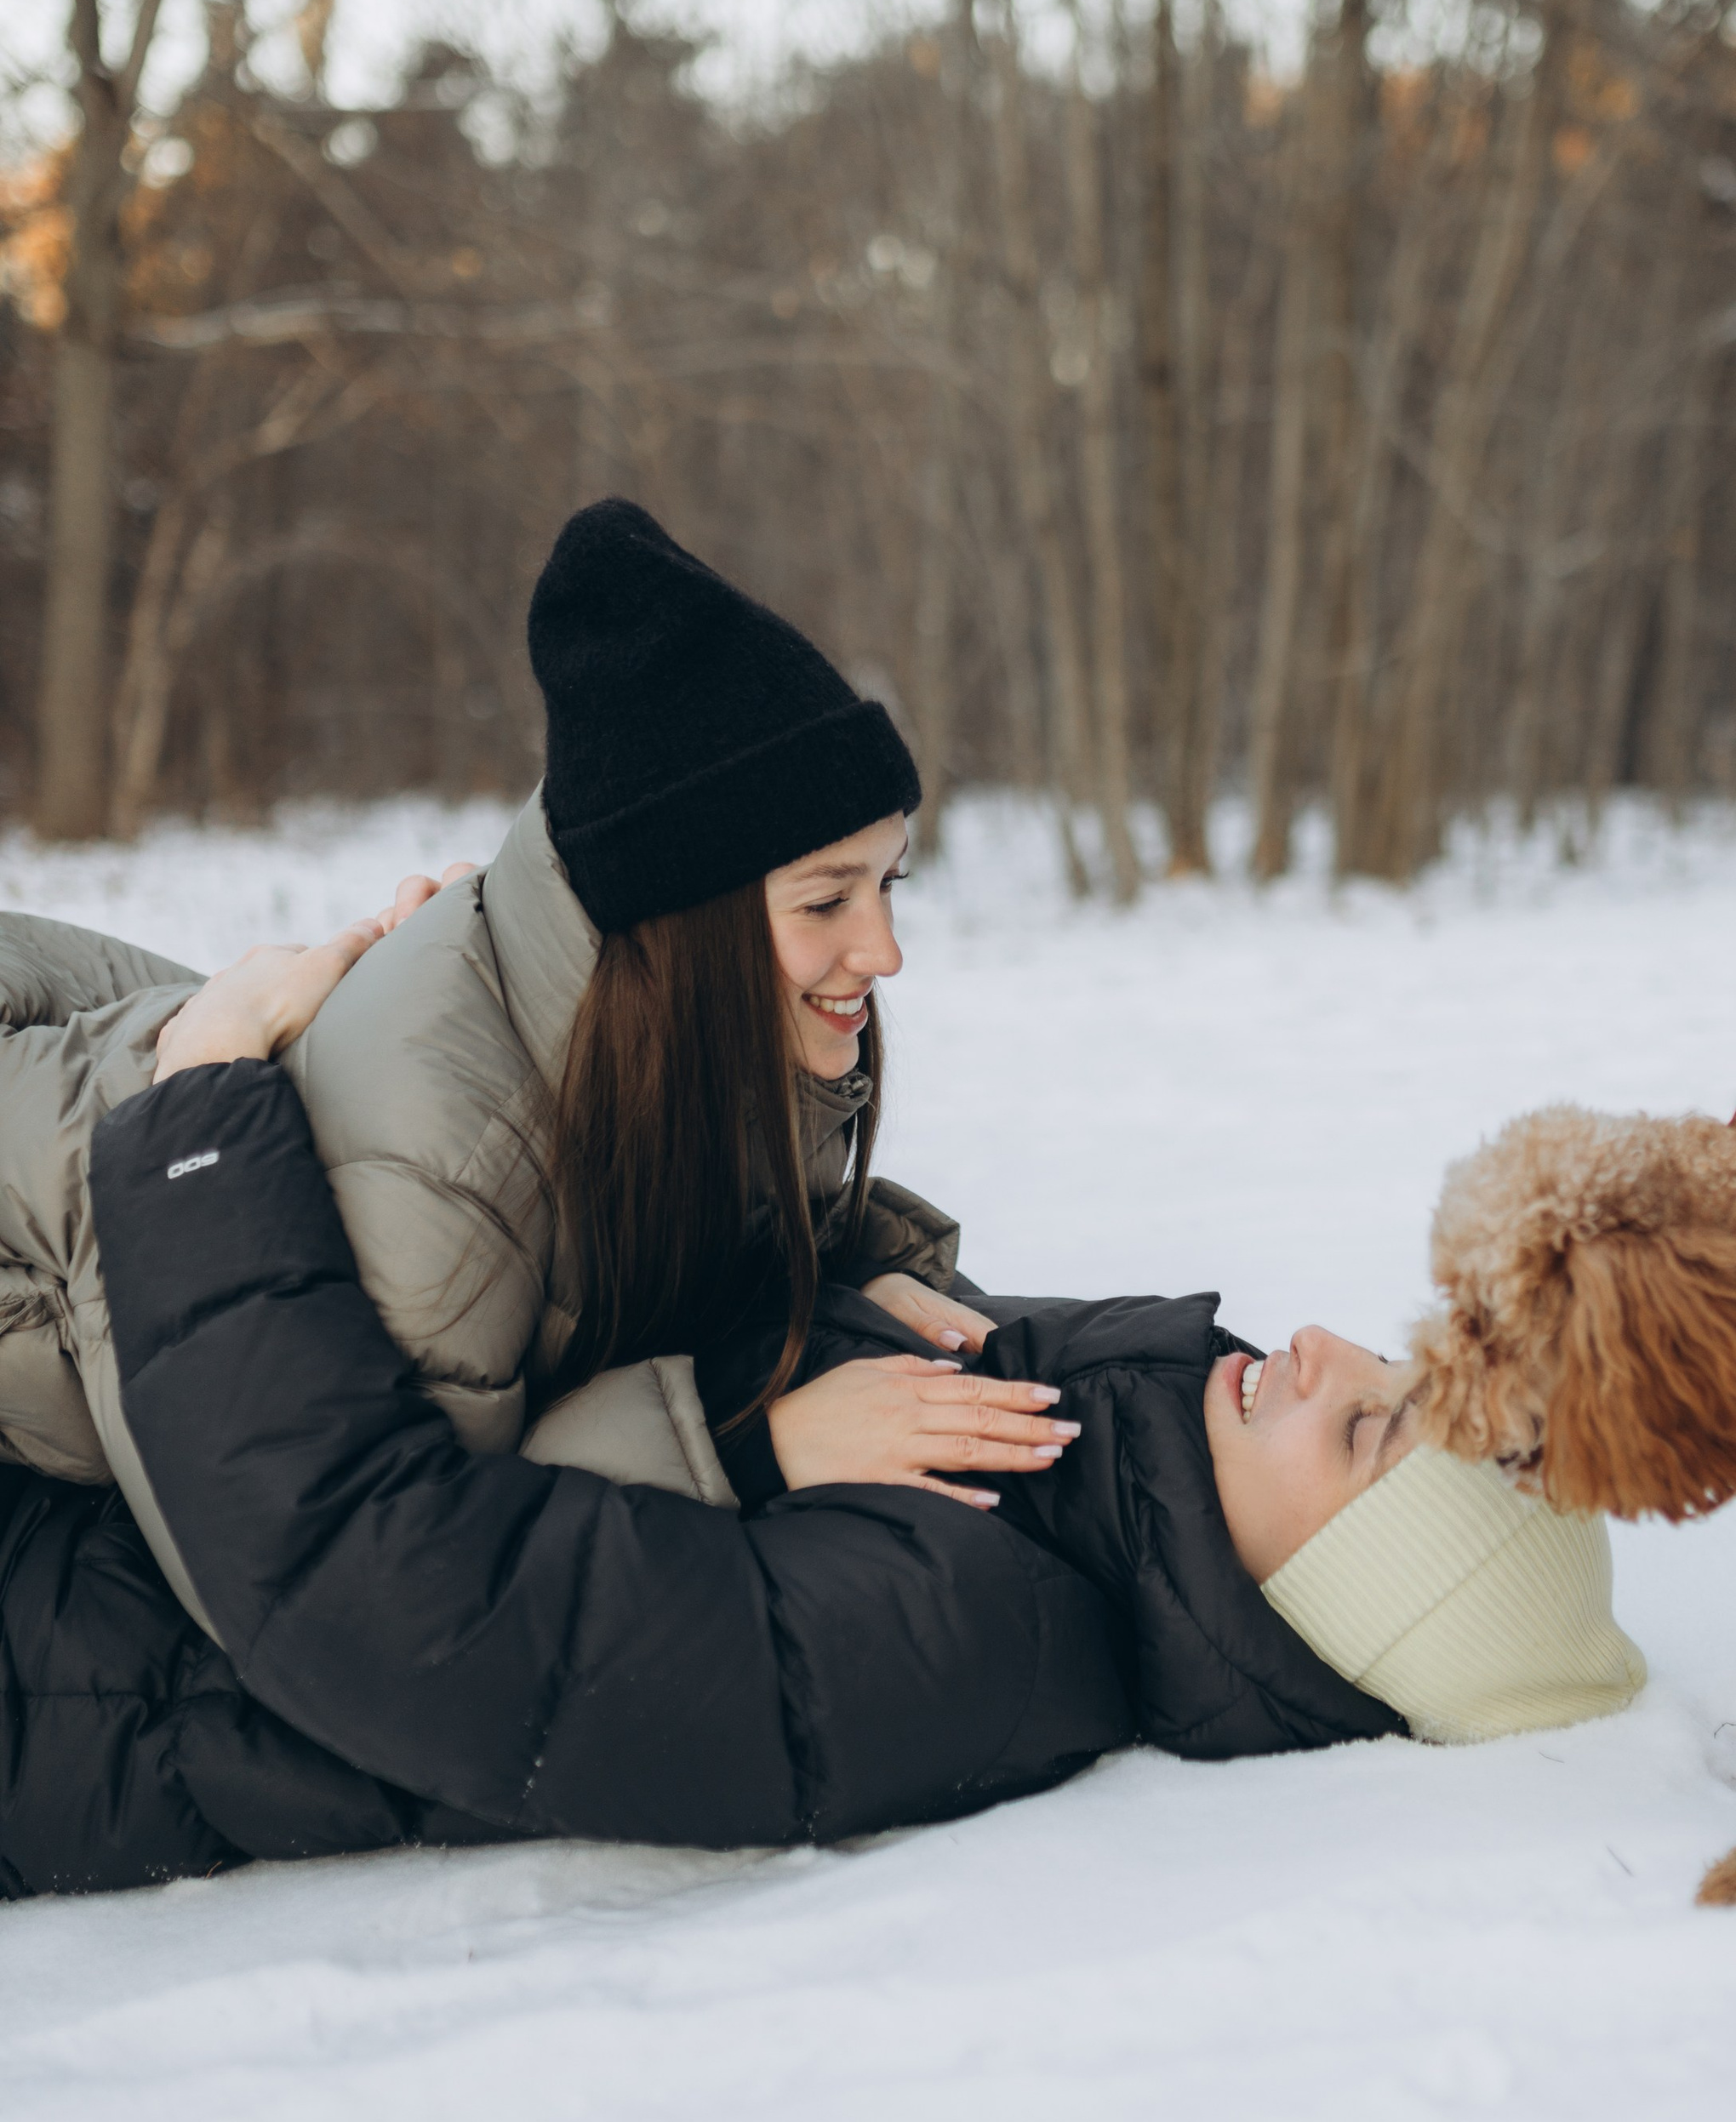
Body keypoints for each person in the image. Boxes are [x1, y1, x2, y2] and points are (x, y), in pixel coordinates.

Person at [0, 923, 1642, 1898]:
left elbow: (416, 1617)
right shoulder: (1077, 1456)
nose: (1330, 1356)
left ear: (1304, 1616)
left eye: (1360, 1435)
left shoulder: (960, 1643)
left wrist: (207, 1123)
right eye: (1391, 1383)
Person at [0, 500, 1064, 1634]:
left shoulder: (694, 1038)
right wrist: (750, 1443)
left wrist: (828, 1286)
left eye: (887, 884)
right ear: (679, 917)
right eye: (826, 900)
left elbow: (653, 1260)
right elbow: (380, 1565)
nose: (885, 951)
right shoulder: (447, 1159)